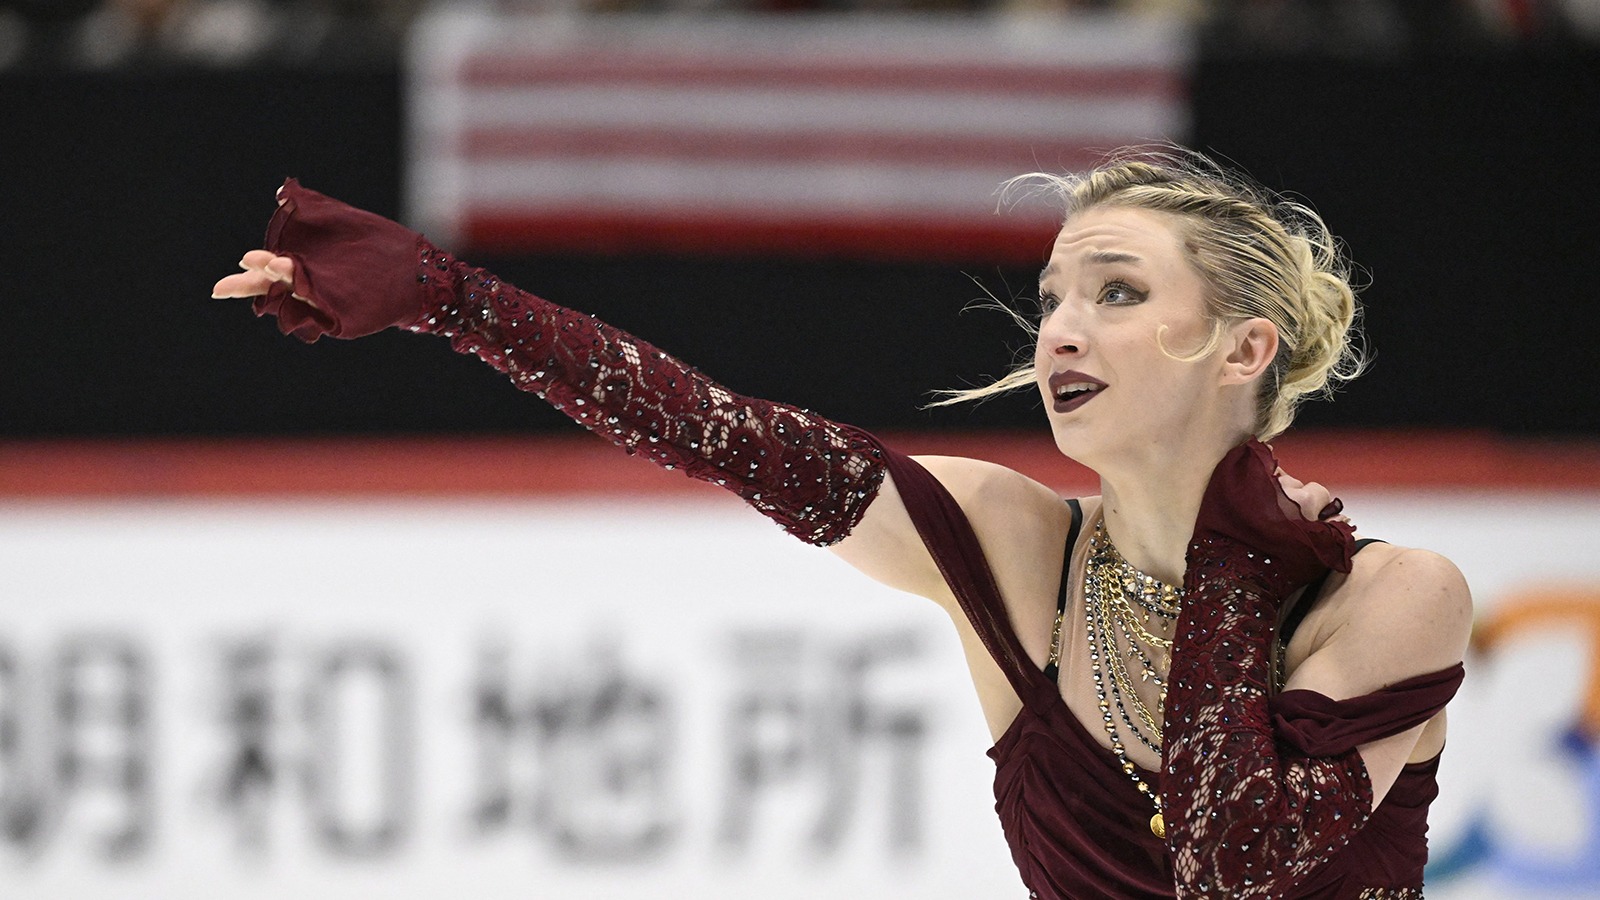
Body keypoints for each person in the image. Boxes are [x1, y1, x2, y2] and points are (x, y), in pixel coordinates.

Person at [211, 149, 1471, 899]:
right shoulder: (1013, 548)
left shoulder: (1393, 597)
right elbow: (718, 432)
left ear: (1242, 346)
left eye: (1119, 291)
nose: (1061, 330)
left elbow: (1228, 866)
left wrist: (1232, 553)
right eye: (1051, 298)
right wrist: (449, 297)